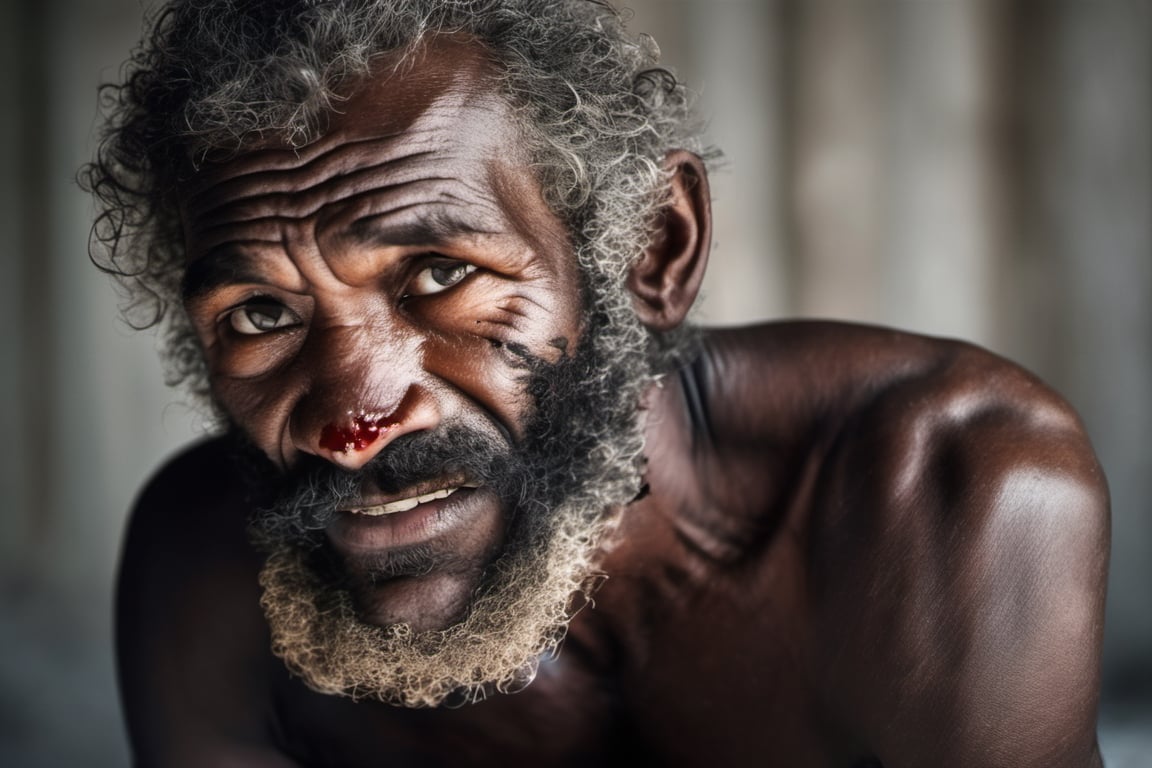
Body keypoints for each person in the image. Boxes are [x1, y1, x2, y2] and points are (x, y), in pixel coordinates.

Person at [84, 1, 1109, 765]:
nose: (353, 423)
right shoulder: (215, 566)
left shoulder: (948, 496)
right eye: (261, 315)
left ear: (652, 250)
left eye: (440, 276)